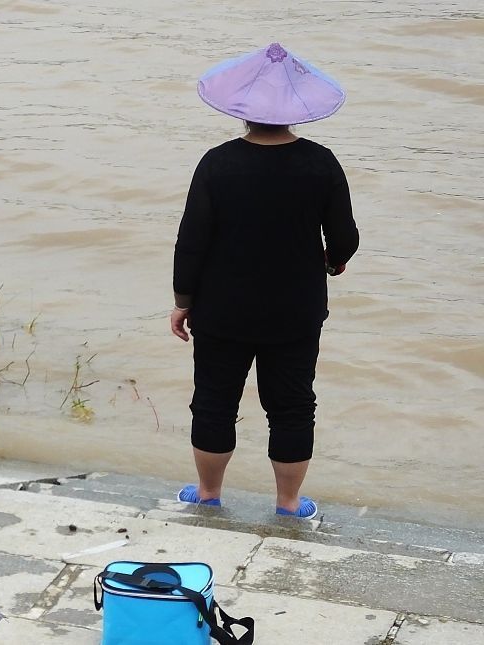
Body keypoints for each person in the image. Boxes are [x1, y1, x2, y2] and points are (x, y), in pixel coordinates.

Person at [171, 43, 359, 519]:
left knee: (214, 400)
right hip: (295, 310)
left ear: (243, 111)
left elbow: (191, 241)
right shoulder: (322, 163)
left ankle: (209, 495)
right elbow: (345, 237)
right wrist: (333, 263)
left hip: (221, 308)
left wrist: (182, 299)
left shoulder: (217, 163)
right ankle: (289, 503)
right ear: (296, 111)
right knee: (293, 406)